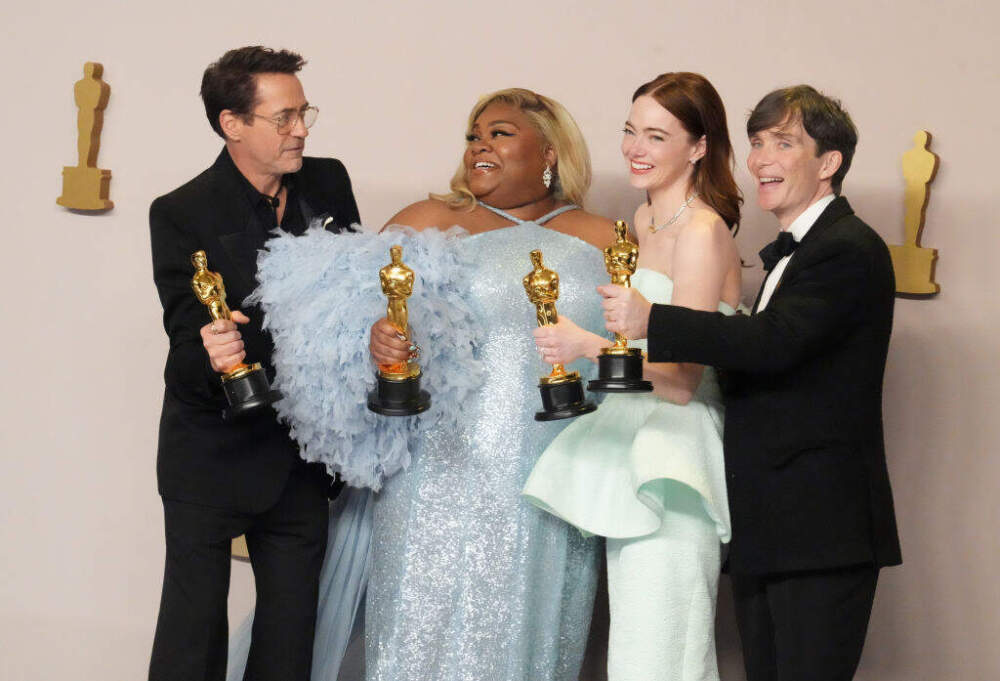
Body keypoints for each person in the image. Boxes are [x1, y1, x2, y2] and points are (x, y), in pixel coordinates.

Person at [601, 84, 901, 681]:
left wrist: (650, 320)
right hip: (771, 526)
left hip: (821, 532)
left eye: (783, 143)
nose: (761, 158)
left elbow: (774, 344)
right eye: (757, 141)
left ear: (829, 164)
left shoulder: (848, 248)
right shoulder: (797, 252)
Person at [358, 88, 612, 680]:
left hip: (554, 471)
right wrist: (377, 340)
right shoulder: (426, 222)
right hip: (439, 467)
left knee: (534, 633)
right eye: (474, 134)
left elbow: (643, 347)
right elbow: (351, 328)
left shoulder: (605, 237)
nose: (479, 144)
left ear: (549, 150)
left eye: (499, 132)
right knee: (419, 630)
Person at [147, 46, 359, 681]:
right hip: (210, 456)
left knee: (290, 641)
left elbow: (352, 293)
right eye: (284, 117)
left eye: (304, 112)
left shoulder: (328, 181)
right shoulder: (181, 212)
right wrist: (214, 356)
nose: (302, 129)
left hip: (298, 455)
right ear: (231, 123)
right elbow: (186, 350)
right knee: (193, 638)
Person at [522, 72, 743, 681]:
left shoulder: (701, 233)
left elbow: (680, 382)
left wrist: (589, 345)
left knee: (663, 653)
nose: (634, 149)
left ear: (698, 147)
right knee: (637, 655)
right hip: (634, 447)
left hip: (675, 459)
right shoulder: (644, 222)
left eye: (656, 135)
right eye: (629, 131)